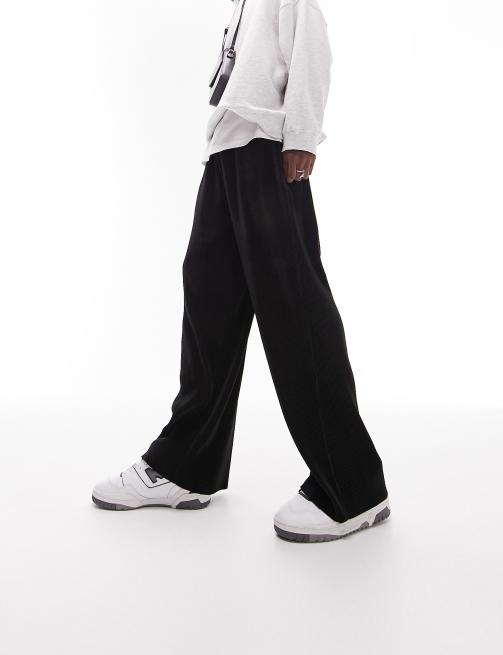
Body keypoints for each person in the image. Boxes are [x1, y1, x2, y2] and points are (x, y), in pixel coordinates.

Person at [92, 0, 390, 543]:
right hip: (227, 151)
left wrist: (301, 137)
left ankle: (354, 487)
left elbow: (312, 46)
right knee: (208, 299)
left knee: (293, 310)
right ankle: (186, 464)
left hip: (267, 151)